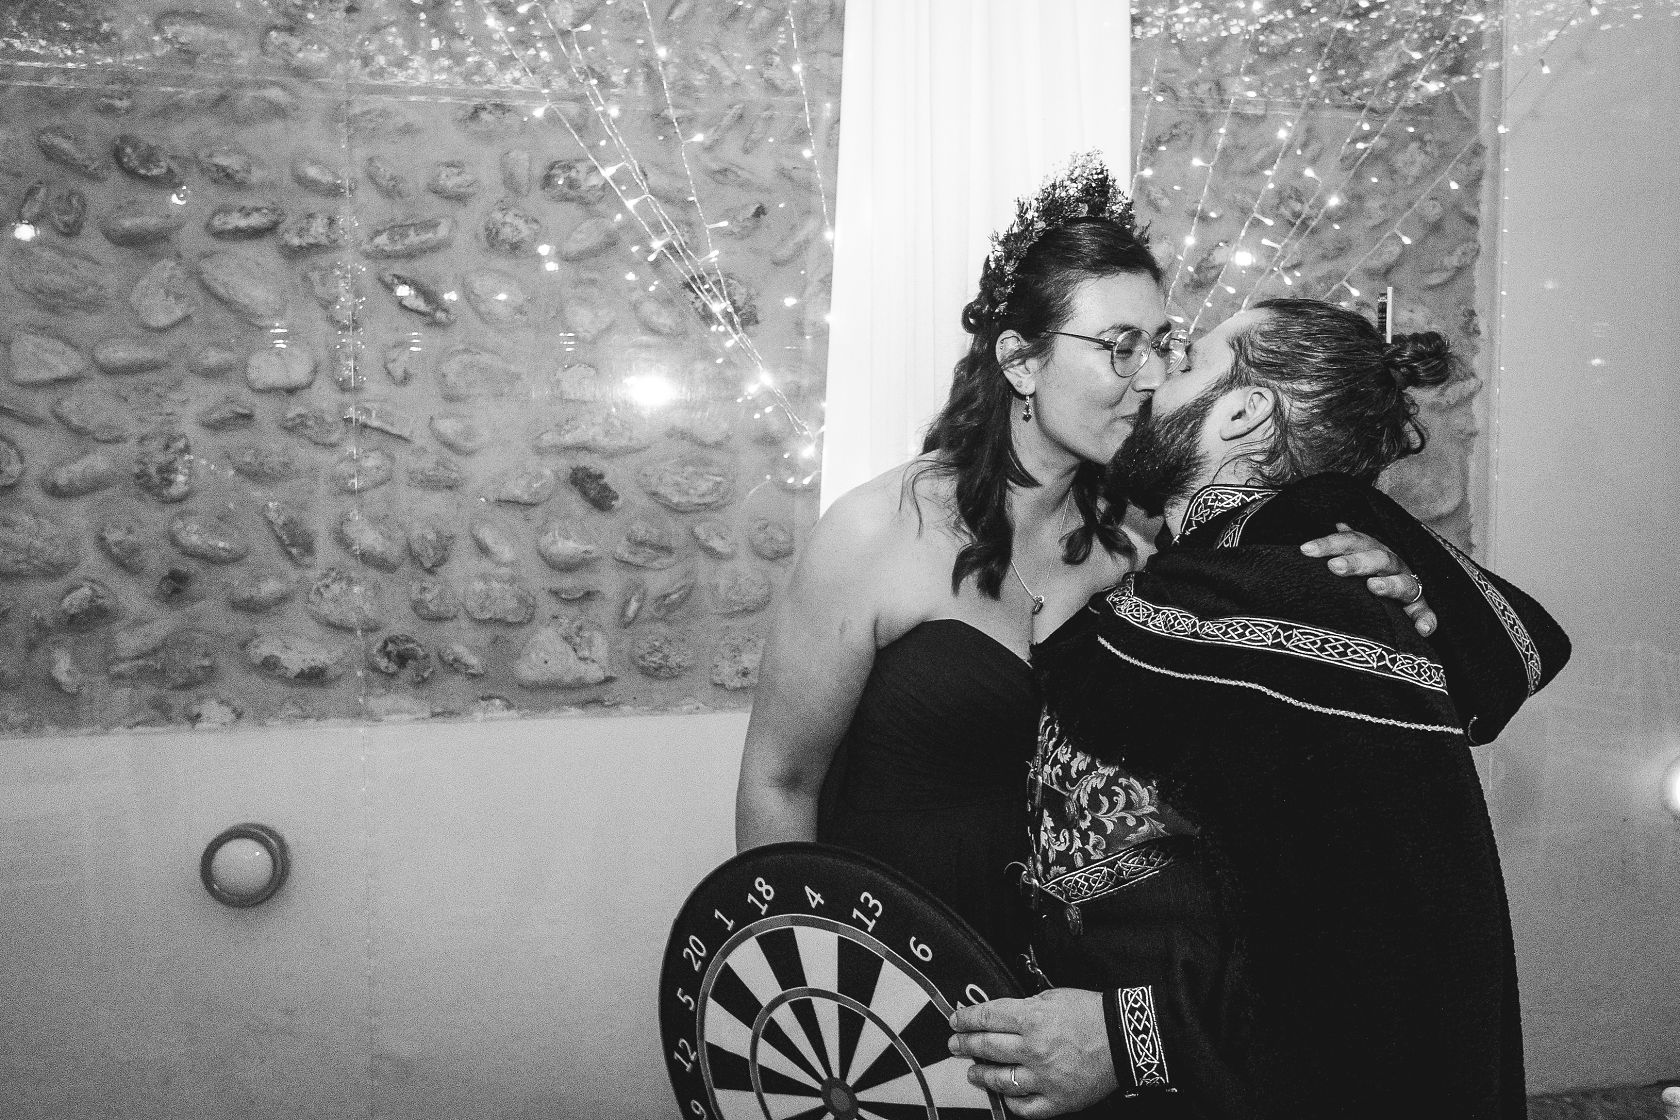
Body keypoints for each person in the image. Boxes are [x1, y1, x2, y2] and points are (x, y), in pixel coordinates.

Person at [733, 158, 1434, 983]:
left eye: (1161, 345)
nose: (1153, 377)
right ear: (1021, 362)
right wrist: (804, 972)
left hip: (1055, 981)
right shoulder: (876, 532)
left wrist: (1378, 574)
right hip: (885, 967)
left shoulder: (1135, 554)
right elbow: (781, 782)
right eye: (1119, 347)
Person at [947, 299, 1570, 1119]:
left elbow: (1384, 954)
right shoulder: (1233, 585)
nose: (1153, 378)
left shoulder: (1292, 606)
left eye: (1187, 361)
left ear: (1243, 412)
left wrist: (1126, 1039)